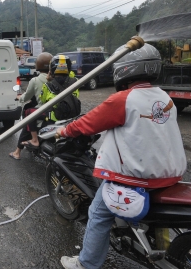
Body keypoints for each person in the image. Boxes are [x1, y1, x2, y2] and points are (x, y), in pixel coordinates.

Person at [58, 43, 186, 269]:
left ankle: (85, 264)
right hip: (169, 174)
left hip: (140, 178)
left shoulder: (123, 99)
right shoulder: (165, 98)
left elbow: (87, 124)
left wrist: (64, 130)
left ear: (125, 68)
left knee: (97, 214)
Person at [21, 55, 79, 151]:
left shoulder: (48, 85)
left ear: (51, 69)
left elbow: (43, 100)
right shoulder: (76, 81)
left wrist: (49, 80)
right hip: (72, 113)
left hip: (54, 115)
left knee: (29, 113)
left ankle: (34, 140)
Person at [9, 52, 52, 159]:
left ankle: (17, 152)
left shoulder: (36, 80)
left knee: (28, 120)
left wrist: (20, 98)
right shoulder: (55, 78)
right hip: (57, 111)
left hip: (43, 111)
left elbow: (27, 96)